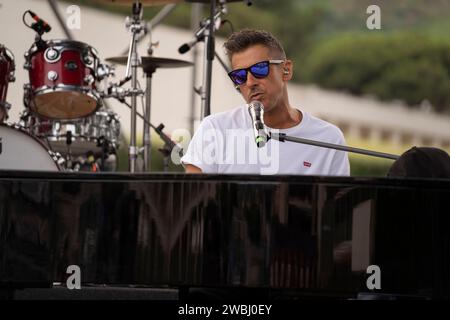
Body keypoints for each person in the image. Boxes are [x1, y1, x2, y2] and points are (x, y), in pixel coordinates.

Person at [181, 29, 350, 175]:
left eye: (259, 69)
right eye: (239, 76)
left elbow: (337, 208)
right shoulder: (215, 128)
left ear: (286, 70)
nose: (249, 82)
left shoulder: (329, 138)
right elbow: (194, 200)